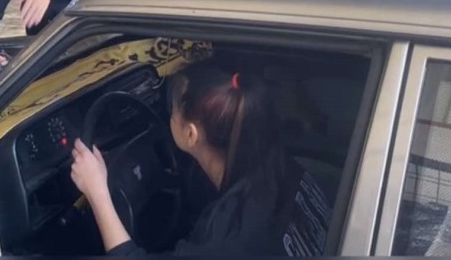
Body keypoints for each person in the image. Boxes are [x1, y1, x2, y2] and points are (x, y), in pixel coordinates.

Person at [70, 59, 333, 256]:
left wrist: (97, 192)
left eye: (173, 110)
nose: (170, 115)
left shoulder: (226, 241)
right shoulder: (275, 161)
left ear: (191, 134)